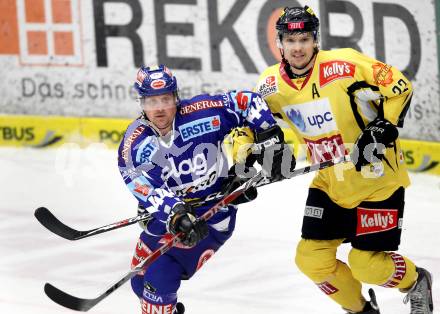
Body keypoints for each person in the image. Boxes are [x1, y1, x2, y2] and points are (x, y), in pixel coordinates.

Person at [253, 5, 434, 314]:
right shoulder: (270, 85)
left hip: (378, 182)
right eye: (291, 41)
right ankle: (362, 310)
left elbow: (398, 86)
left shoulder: (345, 65)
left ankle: (416, 282)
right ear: (280, 43)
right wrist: (259, 150)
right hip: (330, 183)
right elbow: (249, 123)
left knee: (365, 265)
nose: (298, 48)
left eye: (305, 40)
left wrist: (382, 126)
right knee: (310, 259)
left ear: (315, 41)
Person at [117, 64, 293, 314]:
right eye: (151, 101)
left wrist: (269, 136)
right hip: (171, 219)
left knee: (158, 280)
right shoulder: (135, 142)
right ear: (141, 102)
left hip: (212, 218)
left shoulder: (201, 113)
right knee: (139, 282)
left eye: (166, 99)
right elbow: (144, 187)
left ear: (176, 98)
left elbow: (247, 101)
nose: (159, 108)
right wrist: (174, 213)